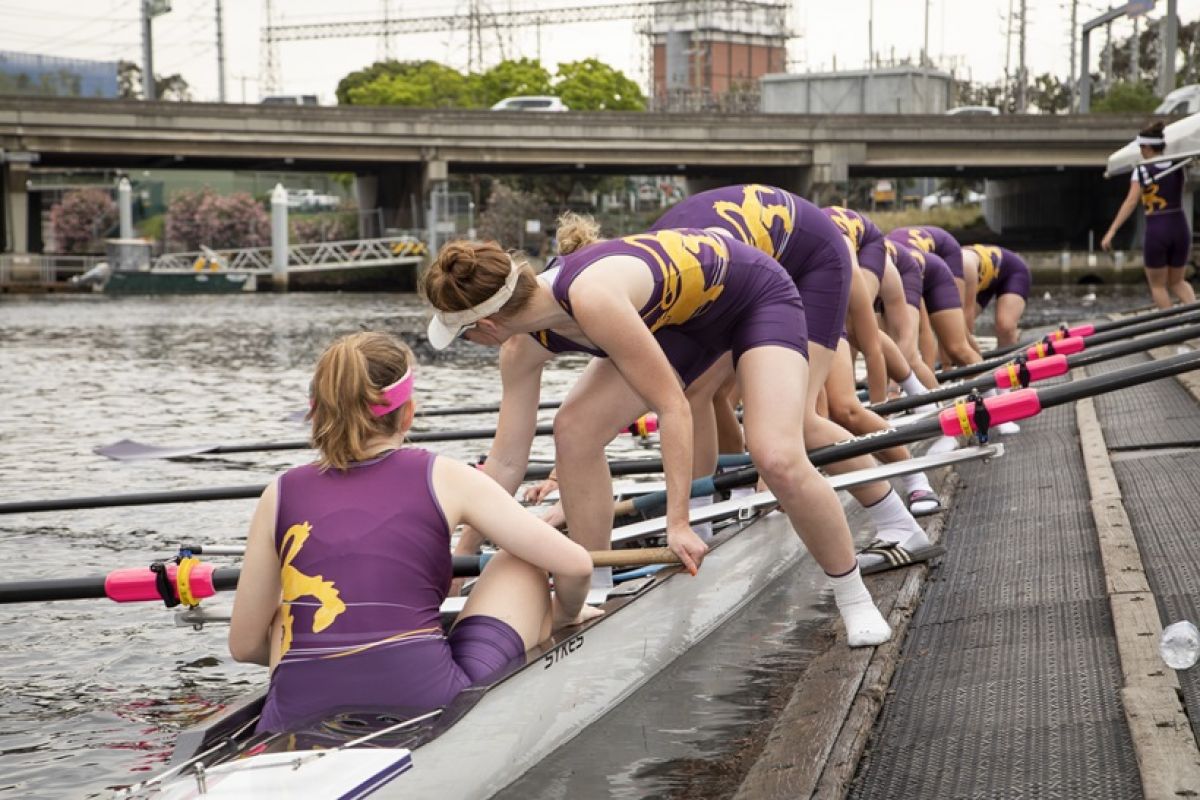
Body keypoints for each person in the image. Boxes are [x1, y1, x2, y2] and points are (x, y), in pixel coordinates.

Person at [422, 227, 892, 647]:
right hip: (677, 322)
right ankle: (596, 587)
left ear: (485, 326)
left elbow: (672, 406)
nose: (469, 344)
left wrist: (678, 522)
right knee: (574, 429)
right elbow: (505, 464)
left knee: (776, 456)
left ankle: (852, 596)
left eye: (461, 335)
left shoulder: (592, 298)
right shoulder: (520, 350)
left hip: (753, 297)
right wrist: (458, 561)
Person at [228, 332, 596, 733]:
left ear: (318, 413)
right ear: (407, 414)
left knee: (287, 614)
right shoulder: (444, 475)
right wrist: (566, 616)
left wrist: (337, 658)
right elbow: (575, 565)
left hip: (295, 711)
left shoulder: (278, 493)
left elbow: (244, 645)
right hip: (427, 700)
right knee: (522, 559)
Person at [648, 186, 934, 564]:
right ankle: (702, 523)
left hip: (814, 267)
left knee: (798, 422)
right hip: (754, 275)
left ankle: (903, 519)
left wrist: (776, 460)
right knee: (695, 391)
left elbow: (871, 341)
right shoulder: (651, 278)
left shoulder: (686, 273)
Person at [1101, 120, 1196, 310]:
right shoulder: (1180, 164)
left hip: (1157, 229)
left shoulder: (1142, 170)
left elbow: (1130, 202)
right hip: (1180, 227)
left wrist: (1111, 231)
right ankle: (1196, 319)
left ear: (1146, 147)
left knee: (1158, 285)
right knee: (1178, 282)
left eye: (1141, 147)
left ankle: (1171, 328)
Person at [962, 244, 1031, 347]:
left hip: (1011, 271)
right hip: (983, 280)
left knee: (1005, 327)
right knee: (950, 328)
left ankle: (1012, 348)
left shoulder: (963, 266)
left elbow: (966, 327)